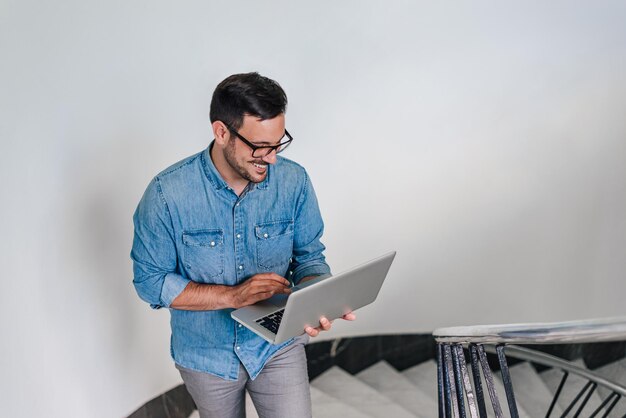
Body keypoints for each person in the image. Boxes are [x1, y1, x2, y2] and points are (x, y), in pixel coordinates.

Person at [131, 72, 355, 418]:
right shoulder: (166, 195)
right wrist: (231, 297)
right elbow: (151, 282)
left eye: (278, 143)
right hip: (205, 355)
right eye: (259, 147)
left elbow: (309, 257)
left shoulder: (295, 182)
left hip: (278, 346)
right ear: (221, 132)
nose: (272, 158)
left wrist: (315, 298)